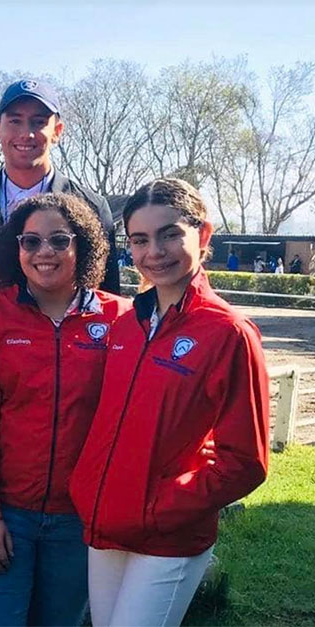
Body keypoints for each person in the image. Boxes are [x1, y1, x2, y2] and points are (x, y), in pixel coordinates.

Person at [69, 178, 269, 627]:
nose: (154, 252)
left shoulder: (229, 333)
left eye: (169, 234)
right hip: (107, 522)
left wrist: (160, 507)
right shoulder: (125, 325)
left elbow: (245, 461)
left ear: (203, 235)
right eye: (140, 240)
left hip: (168, 537)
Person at [0, 193, 130, 626]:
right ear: (16, 249)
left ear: (82, 245)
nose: (44, 252)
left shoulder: (118, 319)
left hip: (78, 520)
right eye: (30, 241)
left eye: (58, 240)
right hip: (5, 516)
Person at [0, 79, 121, 296]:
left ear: (57, 131)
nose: (26, 133)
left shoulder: (92, 207)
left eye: (38, 122)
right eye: (15, 121)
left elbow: (108, 297)